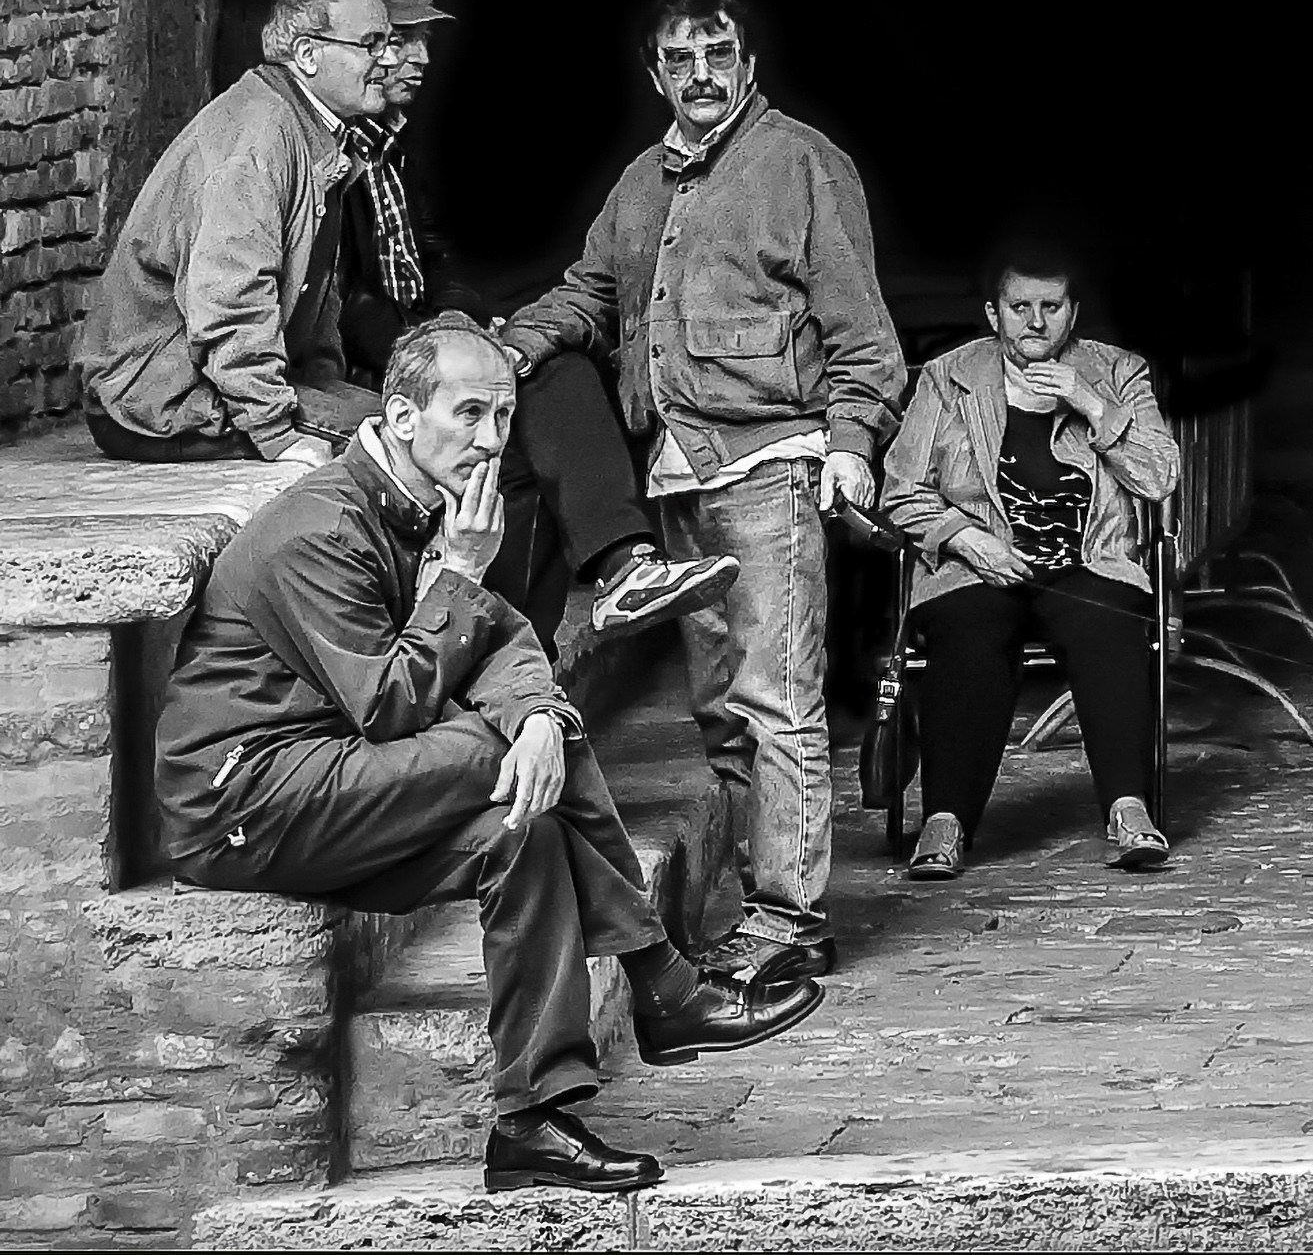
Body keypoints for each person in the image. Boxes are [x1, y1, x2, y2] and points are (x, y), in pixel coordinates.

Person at [154, 316, 821, 1195]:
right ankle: (663, 984)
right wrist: (465, 580)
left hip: (339, 781)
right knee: (497, 751)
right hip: (246, 799)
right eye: (468, 413)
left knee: (523, 832)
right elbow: (392, 706)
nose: (491, 438)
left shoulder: (426, 502)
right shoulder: (321, 529)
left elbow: (500, 639)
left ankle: (531, 1123)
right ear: (402, 416)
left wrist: (539, 714)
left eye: (503, 415)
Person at [496, 0, 904, 990]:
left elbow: (861, 331)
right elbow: (592, 294)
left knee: (776, 702)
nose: (702, 76)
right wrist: (511, 346)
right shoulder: (642, 182)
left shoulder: (802, 162)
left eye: (718, 54)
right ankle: (752, 907)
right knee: (722, 711)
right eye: (680, 61)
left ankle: (792, 921)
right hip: (676, 474)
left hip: (769, 466)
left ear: (749, 63)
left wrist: (852, 441)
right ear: (655, 75)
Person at [321, 0, 736, 658]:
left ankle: (594, 598)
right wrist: (439, 347)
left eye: (424, 41)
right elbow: (334, 300)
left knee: (543, 382)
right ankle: (564, 612)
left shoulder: (392, 143)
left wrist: (467, 327)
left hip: (425, 343)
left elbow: (435, 260)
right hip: (364, 371)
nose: (419, 59)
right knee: (515, 426)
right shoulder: (323, 148)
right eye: (399, 41)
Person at [874, 238, 1181, 877]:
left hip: (1088, 563)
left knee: (1111, 624)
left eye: (1051, 306)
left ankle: (1129, 809)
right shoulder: (949, 377)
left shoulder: (1117, 372)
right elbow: (900, 490)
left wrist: (1092, 403)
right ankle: (945, 820)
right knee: (969, 630)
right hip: (978, 564)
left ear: (1074, 312)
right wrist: (966, 539)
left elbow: (1160, 477)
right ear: (994, 313)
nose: (1035, 322)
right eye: (1020, 307)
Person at [75, 0, 391, 466]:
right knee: (412, 441)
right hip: (162, 401)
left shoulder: (310, 128)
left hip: (216, 388)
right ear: (307, 55)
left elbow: (315, 295)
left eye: (389, 43)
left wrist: (323, 384)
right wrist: (277, 431)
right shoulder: (256, 140)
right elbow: (229, 299)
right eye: (371, 44)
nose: (388, 59)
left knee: (427, 422)